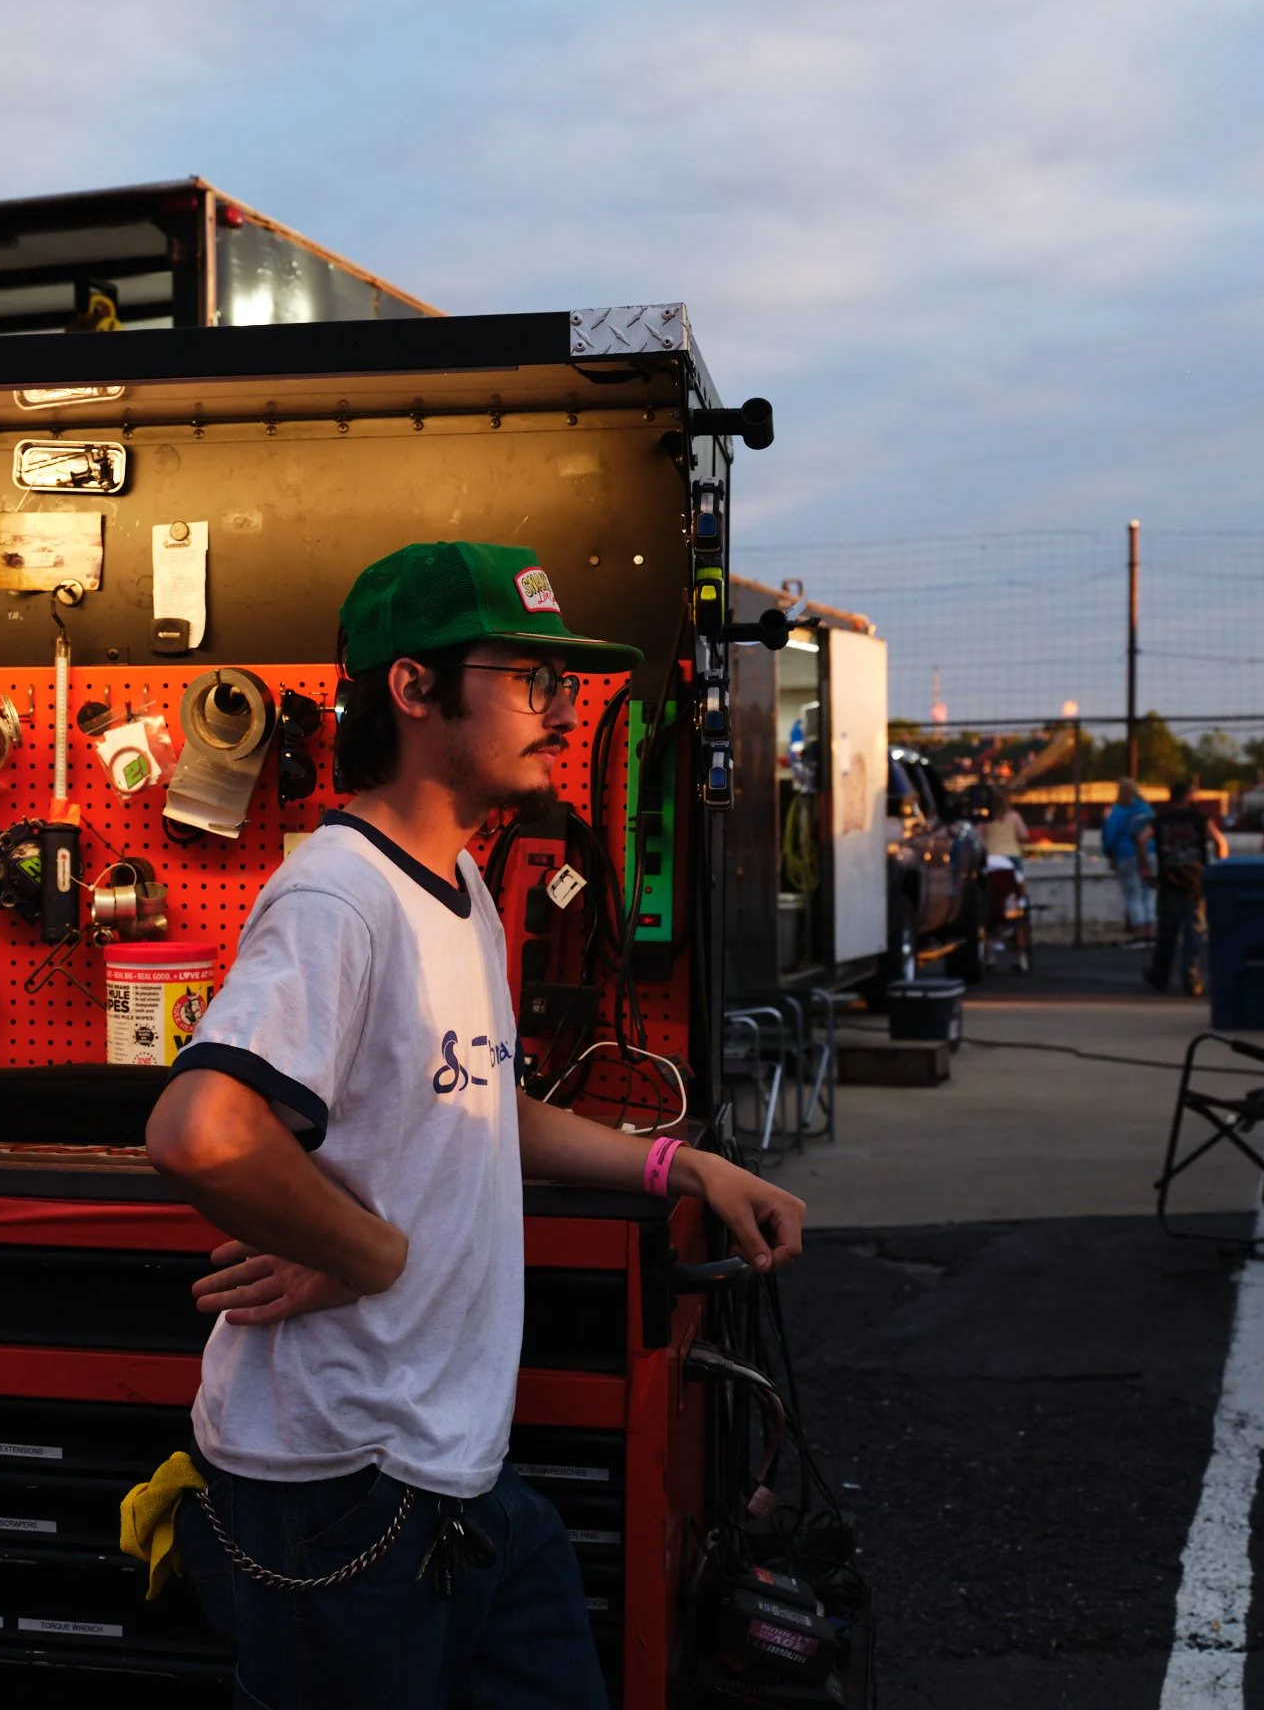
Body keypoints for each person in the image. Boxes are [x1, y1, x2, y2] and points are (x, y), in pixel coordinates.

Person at [143, 541, 806, 1709]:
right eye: (528, 679)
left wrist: (680, 1163)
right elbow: (203, 1129)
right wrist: (366, 1252)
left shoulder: (452, 891)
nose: (562, 709)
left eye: (563, 683)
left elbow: (488, 1105)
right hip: (334, 1479)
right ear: (412, 687)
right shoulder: (338, 893)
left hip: (448, 1468)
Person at [1140, 776, 1226, 995]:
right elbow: (1219, 841)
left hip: (1169, 881)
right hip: (1196, 883)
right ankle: (1192, 979)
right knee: (1194, 933)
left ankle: (1160, 977)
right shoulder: (1200, 818)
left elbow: (1141, 839)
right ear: (1189, 796)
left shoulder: (1161, 820)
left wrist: (1145, 869)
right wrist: (1219, 866)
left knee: (1167, 933)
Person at [1102, 779, 1156, 943]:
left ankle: (1139, 933)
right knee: (1149, 894)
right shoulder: (1146, 809)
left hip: (1126, 855)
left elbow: (1110, 835)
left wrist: (1109, 853)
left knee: (1133, 896)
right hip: (1150, 853)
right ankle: (1151, 931)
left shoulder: (1117, 811)